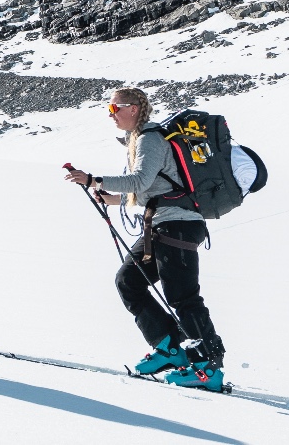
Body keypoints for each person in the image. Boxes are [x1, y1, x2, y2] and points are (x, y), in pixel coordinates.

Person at [63, 87, 228, 391]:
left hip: (177, 226)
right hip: (162, 225)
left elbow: (140, 180)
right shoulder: (141, 140)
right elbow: (153, 190)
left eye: (115, 109)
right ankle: (169, 346)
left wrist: (93, 179)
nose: (111, 115)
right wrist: (112, 199)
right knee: (129, 281)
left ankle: (209, 368)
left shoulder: (150, 139)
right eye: (109, 110)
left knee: (183, 297)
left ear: (134, 109)